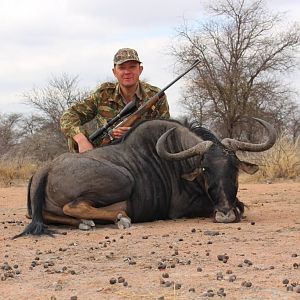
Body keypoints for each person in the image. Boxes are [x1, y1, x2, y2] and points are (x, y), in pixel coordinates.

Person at [60, 48, 170, 153]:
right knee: (75, 141)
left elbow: (166, 132)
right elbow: (68, 116)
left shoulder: (156, 96)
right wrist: (82, 140)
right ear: (114, 72)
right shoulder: (103, 94)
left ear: (140, 70)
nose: (127, 72)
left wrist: (136, 135)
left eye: (132, 67)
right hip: (106, 155)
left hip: (142, 155)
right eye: (122, 68)